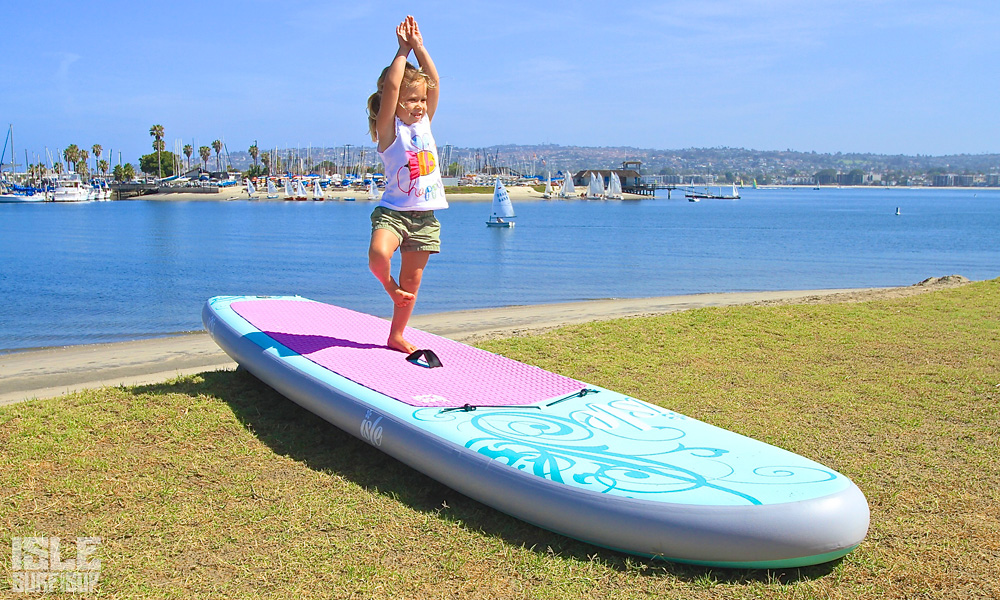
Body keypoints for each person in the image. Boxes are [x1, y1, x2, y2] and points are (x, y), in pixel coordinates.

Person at [366, 16, 446, 354]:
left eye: (422, 101)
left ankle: (396, 335)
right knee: (377, 255)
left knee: (412, 283)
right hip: (395, 213)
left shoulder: (425, 123)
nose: (419, 106)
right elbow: (394, 89)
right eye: (412, 100)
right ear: (395, 104)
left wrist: (420, 47)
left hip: (425, 217)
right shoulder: (389, 132)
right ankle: (389, 287)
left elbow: (436, 83)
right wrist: (402, 50)